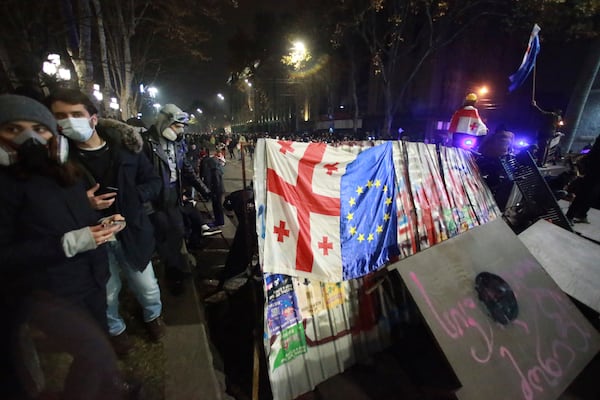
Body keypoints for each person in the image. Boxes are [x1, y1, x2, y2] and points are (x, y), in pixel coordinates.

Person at [0, 94, 132, 399]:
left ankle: (109, 388)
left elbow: (78, 219)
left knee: (98, 348)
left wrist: (103, 223)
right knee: (94, 351)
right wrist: (67, 244)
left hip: (91, 278)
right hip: (48, 291)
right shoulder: (6, 185)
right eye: (13, 129)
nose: (29, 138)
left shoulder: (66, 173)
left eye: (38, 128)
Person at [46, 89, 165, 356]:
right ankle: (116, 331)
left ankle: (153, 317)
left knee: (146, 286)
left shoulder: (128, 150)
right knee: (107, 291)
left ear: (93, 119)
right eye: (60, 116)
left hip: (131, 230)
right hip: (90, 237)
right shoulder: (56, 161)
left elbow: (154, 183)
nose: (69, 121)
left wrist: (133, 197)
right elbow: (48, 207)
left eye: (76, 114)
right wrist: (82, 204)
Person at [142, 103, 212, 295]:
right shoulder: (146, 143)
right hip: (154, 199)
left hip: (172, 195)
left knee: (177, 232)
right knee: (164, 234)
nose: (179, 130)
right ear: (165, 122)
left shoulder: (177, 143)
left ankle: (175, 268)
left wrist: (204, 189)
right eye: (176, 126)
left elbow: (186, 168)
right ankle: (172, 274)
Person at [566, 134, 600, 224]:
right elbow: (595, 152)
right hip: (595, 168)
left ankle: (582, 214)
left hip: (595, 168)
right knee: (585, 192)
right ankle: (570, 215)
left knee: (592, 194)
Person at [532, 100, 564, 167]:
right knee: (545, 148)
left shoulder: (553, 115)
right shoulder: (558, 117)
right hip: (549, 133)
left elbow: (542, 112)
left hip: (545, 133)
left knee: (543, 148)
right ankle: (541, 162)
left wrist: (535, 106)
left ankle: (540, 162)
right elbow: (557, 126)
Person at [201, 151, 226, 227]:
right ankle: (219, 221)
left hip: (217, 190)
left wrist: (213, 191)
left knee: (217, 206)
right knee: (217, 206)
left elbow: (215, 182)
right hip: (219, 190)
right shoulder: (217, 169)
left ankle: (219, 221)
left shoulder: (214, 171)